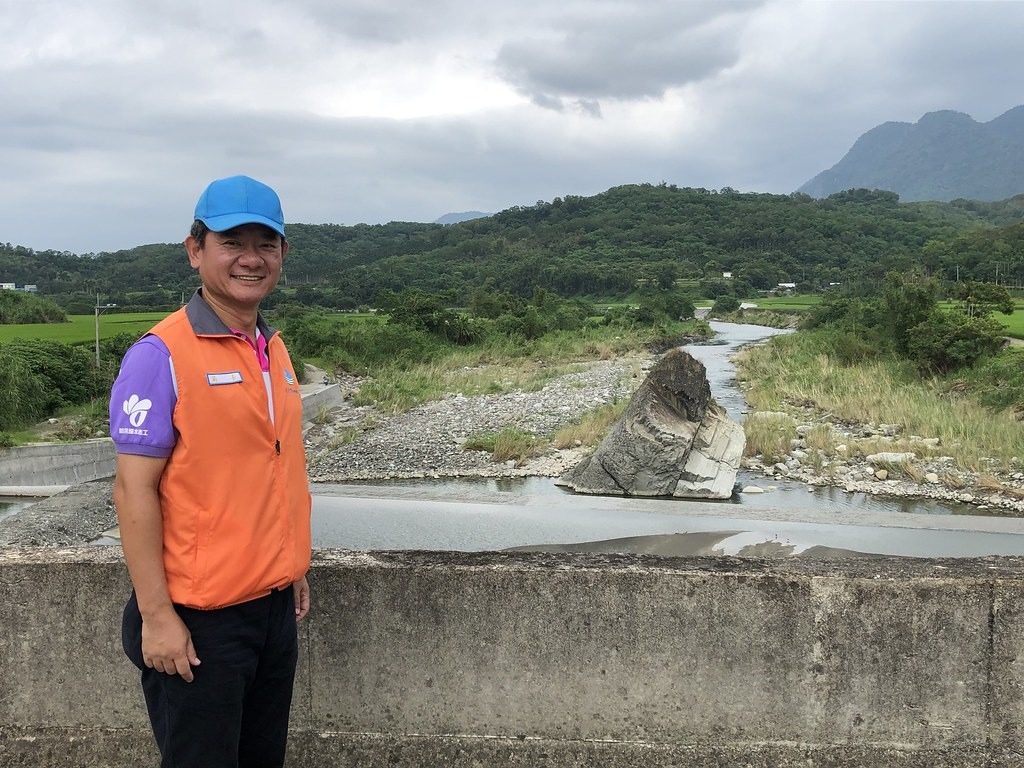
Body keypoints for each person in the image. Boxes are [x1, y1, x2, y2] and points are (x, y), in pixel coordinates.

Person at [109, 175, 312, 768]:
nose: (250, 259)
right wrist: (157, 617)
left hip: (272, 610)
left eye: (265, 244)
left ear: (282, 254)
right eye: (231, 242)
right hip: (198, 623)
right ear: (196, 249)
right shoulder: (160, 356)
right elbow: (132, 491)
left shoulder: (270, 348)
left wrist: (288, 563)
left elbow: (268, 473)